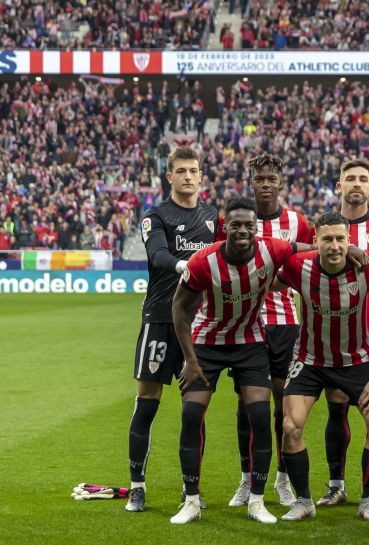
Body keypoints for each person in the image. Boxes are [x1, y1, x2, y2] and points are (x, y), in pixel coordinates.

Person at [169, 197, 298, 525]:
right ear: (224, 228)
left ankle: (257, 500)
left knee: (260, 415)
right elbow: (179, 308)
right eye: (236, 225)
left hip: (250, 342)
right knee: (191, 414)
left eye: (248, 225)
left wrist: (351, 250)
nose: (243, 230)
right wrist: (190, 360)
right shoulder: (203, 261)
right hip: (207, 343)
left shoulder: (272, 249)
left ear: (256, 228)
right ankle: (191, 500)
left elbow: (311, 248)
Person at [275, 211, 369, 522]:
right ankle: (304, 501)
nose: (334, 246)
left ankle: (367, 501)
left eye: (340, 239)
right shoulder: (298, 266)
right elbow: (267, 276)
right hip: (310, 361)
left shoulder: (368, 266)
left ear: (349, 240)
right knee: (290, 427)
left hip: (356, 361)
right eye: (327, 239)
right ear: (315, 240)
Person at [125, 146, 217, 513]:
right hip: (161, 319)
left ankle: (190, 489)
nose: (188, 176)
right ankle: (137, 487)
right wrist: (187, 266)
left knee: (194, 409)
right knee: (147, 403)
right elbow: (158, 255)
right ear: (169, 176)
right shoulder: (156, 215)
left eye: (193, 170)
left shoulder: (212, 217)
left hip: (199, 325)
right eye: (181, 171)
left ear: (201, 176)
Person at [228, 153, 313, 510]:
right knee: (246, 404)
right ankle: (246, 479)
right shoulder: (236, 221)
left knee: (283, 404)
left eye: (271, 179)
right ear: (251, 182)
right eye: (259, 179)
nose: (265, 184)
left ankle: (282, 479)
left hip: (285, 324)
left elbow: (308, 265)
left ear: (280, 183)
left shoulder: (297, 223)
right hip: (246, 324)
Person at [318, 159, 369, 508]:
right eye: (349, 178)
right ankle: (336, 485)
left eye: (362, 178)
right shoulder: (324, 225)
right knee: (337, 411)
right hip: (333, 338)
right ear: (339, 185)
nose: (356, 183)